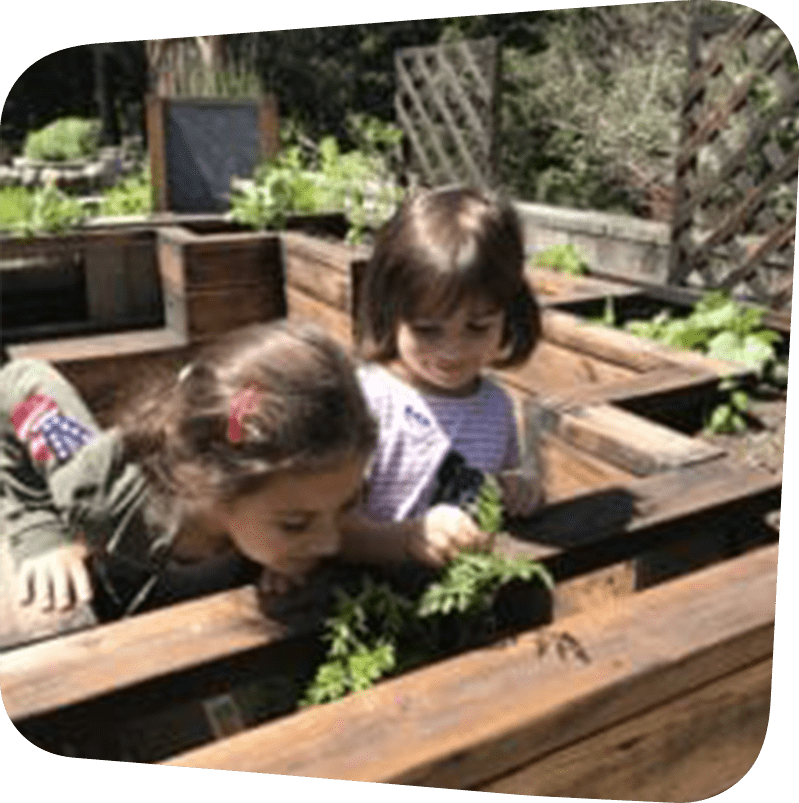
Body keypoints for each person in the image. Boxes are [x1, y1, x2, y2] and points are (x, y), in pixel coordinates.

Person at [0, 321, 485, 627]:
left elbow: (342, 536)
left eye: (346, 505)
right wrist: (38, 533)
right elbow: (22, 384)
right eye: (295, 524)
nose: (329, 543)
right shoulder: (97, 487)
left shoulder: (290, 498)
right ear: (217, 485)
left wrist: (413, 535)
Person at [351, 185, 544, 542]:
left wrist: (516, 488)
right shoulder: (367, 402)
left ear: (509, 314)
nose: (452, 351)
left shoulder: (496, 407)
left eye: (478, 327)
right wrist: (407, 542)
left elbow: (493, 486)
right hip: (369, 589)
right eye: (427, 330)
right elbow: (334, 525)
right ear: (389, 312)